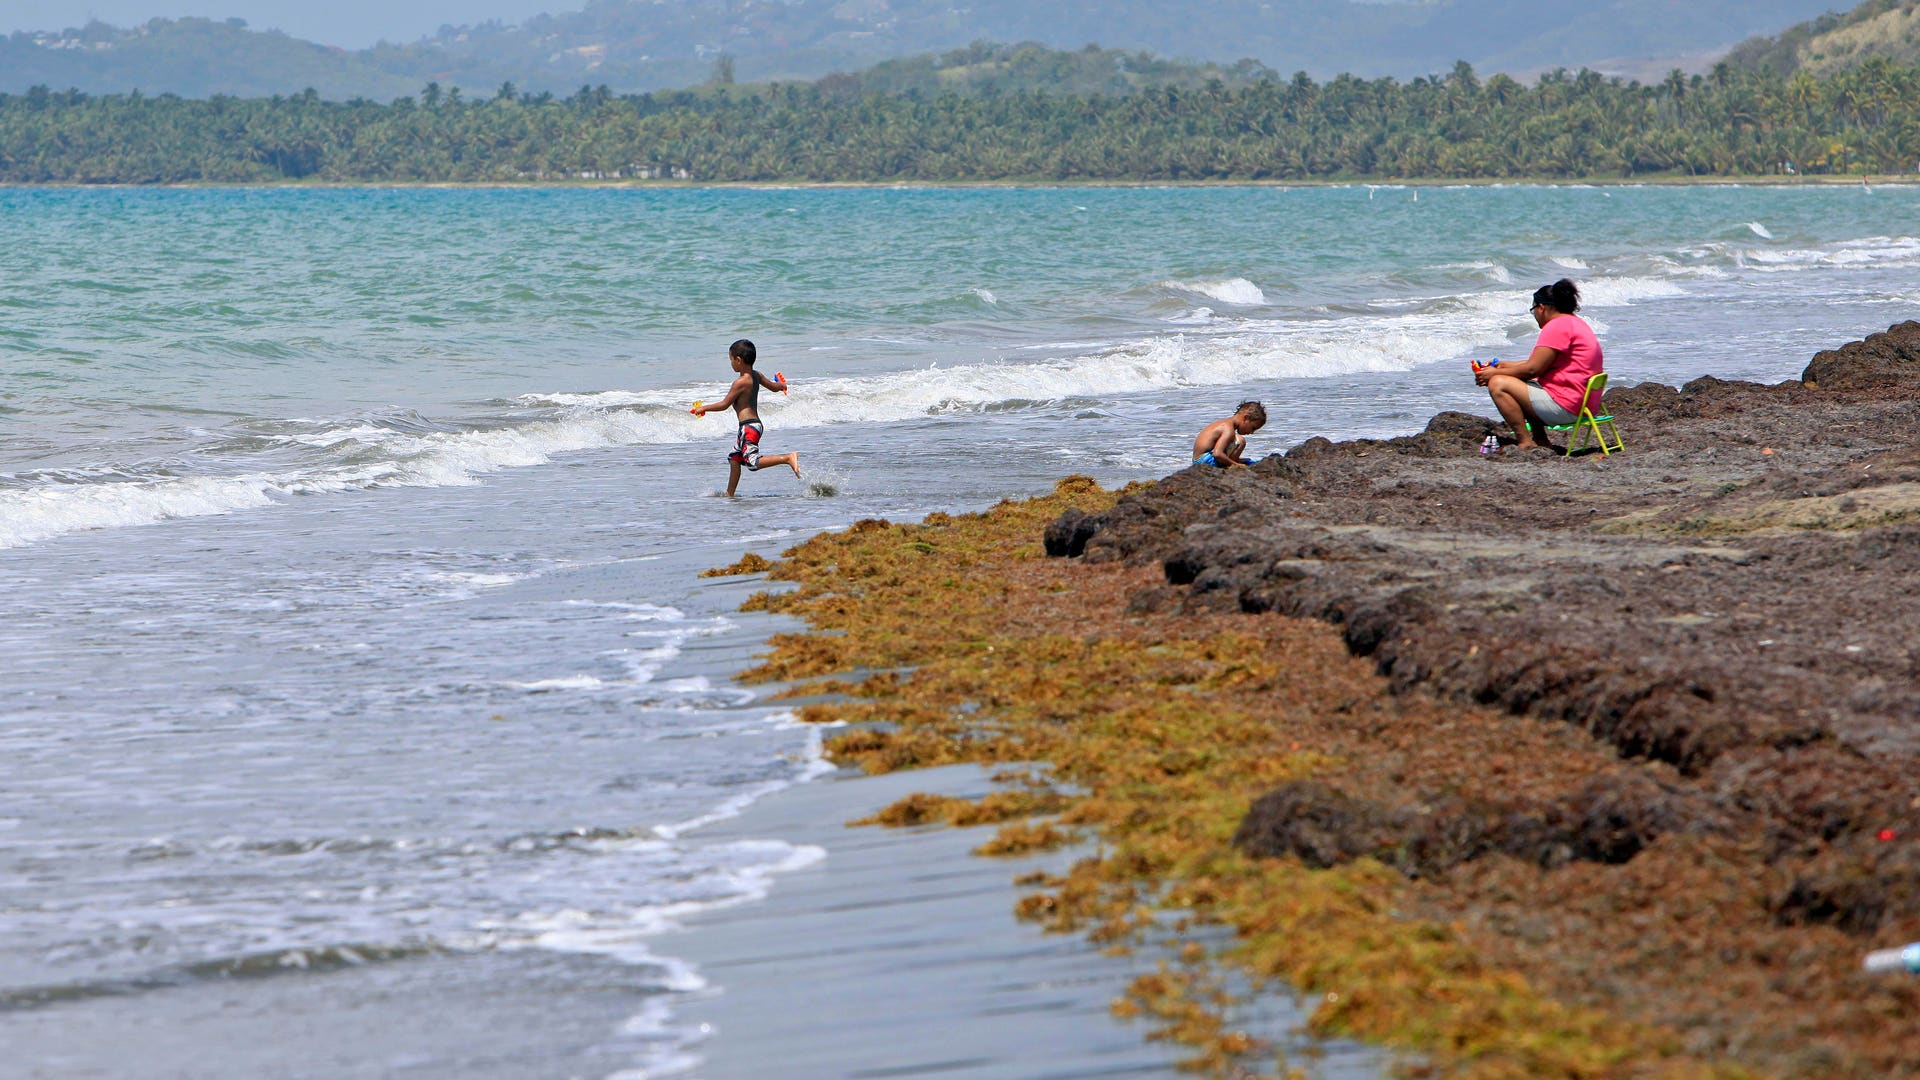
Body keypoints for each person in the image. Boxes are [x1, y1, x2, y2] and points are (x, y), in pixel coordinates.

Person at [1475, 279, 1604, 452]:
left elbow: (1532, 369)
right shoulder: (1574, 322)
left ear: (1541, 307)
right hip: (1585, 404)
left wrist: (1493, 375)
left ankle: (1525, 442)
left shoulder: (1556, 327)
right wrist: (1502, 366)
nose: (1535, 315)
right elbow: (1539, 364)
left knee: (1498, 384)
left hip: (1568, 406)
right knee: (1521, 382)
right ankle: (1541, 440)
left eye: (1533, 310)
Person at [694, 338, 801, 496]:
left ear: (738, 360)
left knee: (751, 463)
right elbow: (773, 387)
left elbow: (724, 404)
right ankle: (729, 494)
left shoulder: (740, 382)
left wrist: (704, 408)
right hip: (752, 426)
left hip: (748, 427)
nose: (730, 363)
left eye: (731, 359)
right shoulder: (756, 375)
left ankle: (787, 458)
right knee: (735, 458)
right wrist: (782, 385)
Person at [1191, 401, 1266, 468]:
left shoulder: (1225, 423)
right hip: (1204, 461)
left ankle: (1231, 462)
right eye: (1253, 428)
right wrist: (1237, 465)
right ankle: (1230, 465)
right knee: (1240, 441)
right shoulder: (1228, 430)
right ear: (1246, 418)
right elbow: (1217, 454)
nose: (1252, 432)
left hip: (1198, 461)